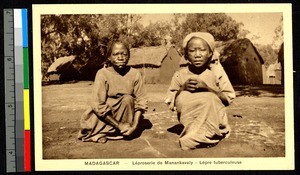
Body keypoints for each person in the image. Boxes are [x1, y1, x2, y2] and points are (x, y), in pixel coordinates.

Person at [165, 32, 235, 150]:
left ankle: (205, 135)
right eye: (192, 51)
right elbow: (171, 102)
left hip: (214, 119)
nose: (197, 55)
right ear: (186, 55)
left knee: (209, 98)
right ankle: (197, 135)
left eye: (202, 50)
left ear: (210, 53)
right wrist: (182, 88)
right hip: (189, 120)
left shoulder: (216, 73)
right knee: (183, 95)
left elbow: (228, 99)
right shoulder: (180, 75)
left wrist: (208, 88)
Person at [78, 40, 148, 143]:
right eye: (115, 54)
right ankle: (111, 130)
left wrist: (134, 126)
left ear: (129, 56)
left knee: (128, 99)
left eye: (124, 54)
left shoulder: (135, 74)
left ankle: (125, 130)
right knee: (94, 115)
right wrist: (119, 124)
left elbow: (141, 101)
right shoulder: (102, 74)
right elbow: (98, 105)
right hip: (106, 114)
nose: (120, 57)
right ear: (109, 57)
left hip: (125, 112)